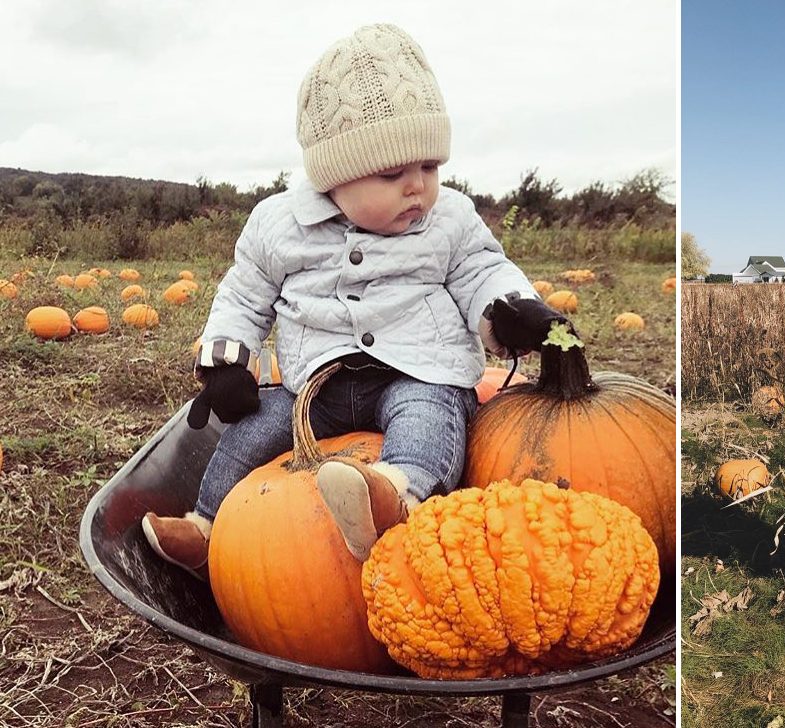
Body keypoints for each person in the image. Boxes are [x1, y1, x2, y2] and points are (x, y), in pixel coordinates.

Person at [141, 23, 569, 575]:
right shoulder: (280, 226)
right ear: (334, 177)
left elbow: (480, 269)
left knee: (430, 417)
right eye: (393, 172)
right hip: (314, 383)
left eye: (430, 167)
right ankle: (207, 525)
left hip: (418, 371)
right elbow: (244, 295)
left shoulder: (450, 220)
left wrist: (510, 310)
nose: (417, 186)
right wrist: (227, 362)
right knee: (255, 429)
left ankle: (395, 494)